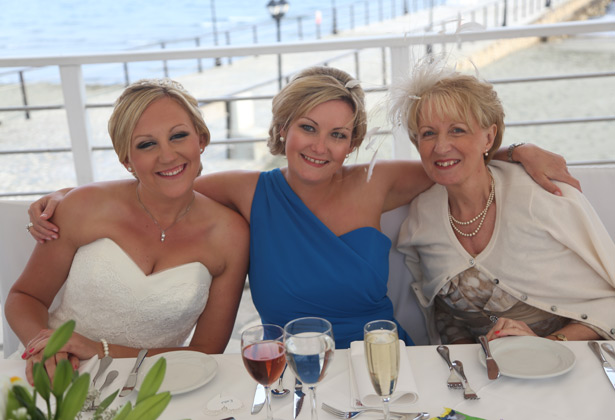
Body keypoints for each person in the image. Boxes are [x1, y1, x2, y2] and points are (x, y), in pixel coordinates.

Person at [25, 66, 577, 349]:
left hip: (380, 357)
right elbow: (167, 173)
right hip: (289, 366)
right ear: (282, 129)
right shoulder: (246, 189)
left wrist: (516, 149)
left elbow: (451, 158)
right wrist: (68, 198)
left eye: (338, 133)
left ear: (354, 140)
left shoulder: (377, 182)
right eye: (307, 128)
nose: (320, 145)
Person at [6, 79, 249, 384]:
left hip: (161, 385)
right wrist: (43, 346)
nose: (168, 156)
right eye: (146, 144)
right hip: (55, 372)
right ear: (126, 160)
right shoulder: (83, 206)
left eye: (179, 136)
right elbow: (25, 296)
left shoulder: (230, 236)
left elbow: (205, 351)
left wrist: (97, 350)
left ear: (201, 140)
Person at [391, 57, 615, 344]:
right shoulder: (422, 219)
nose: (441, 146)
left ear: (489, 137)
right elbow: (444, 318)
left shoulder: (542, 197)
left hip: (571, 366)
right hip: (482, 375)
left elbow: (609, 302)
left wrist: (546, 346)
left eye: (457, 129)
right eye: (428, 134)